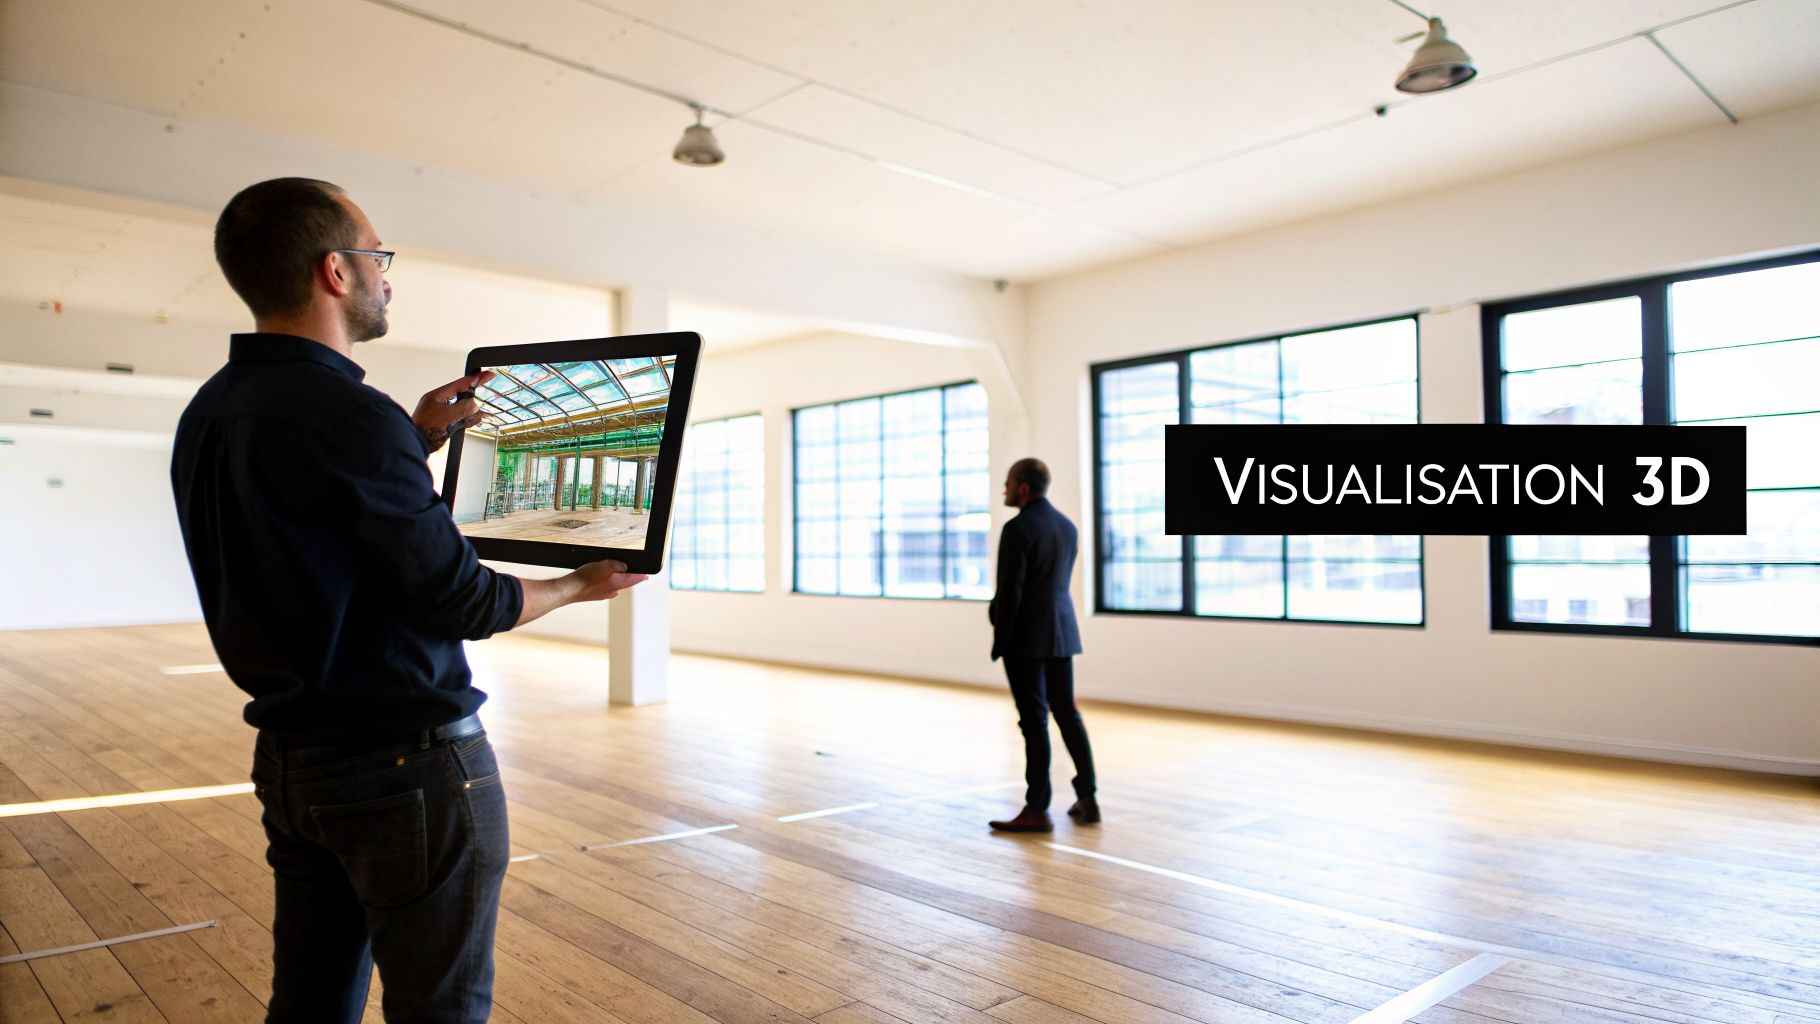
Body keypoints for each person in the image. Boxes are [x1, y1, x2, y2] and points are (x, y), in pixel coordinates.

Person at [171, 178, 644, 1023]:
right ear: (335, 271)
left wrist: (416, 438)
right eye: (377, 255)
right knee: (440, 1009)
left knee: (309, 1003)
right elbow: (461, 599)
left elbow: (314, 531)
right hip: (405, 768)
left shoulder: (211, 410)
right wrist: (577, 584)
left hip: (294, 761)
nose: (386, 276)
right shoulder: (351, 415)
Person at [987, 458, 1099, 833]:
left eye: (1007, 483)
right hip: (1061, 631)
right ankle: (1088, 797)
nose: (1003, 489)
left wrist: (1000, 635)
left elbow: (1011, 591)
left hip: (1025, 638)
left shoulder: (1017, 528)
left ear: (1023, 488)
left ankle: (1036, 809)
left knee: (1034, 721)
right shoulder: (1066, 526)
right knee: (1068, 714)